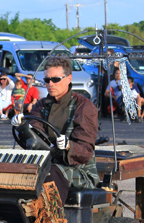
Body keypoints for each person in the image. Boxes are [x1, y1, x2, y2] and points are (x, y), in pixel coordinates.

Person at [12, 56, 99, 204]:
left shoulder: (84, 107)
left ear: (69, 78)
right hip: (48, 162)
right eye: (47, 80)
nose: (50, 84)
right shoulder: (41, 106)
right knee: (16, 171)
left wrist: (68, 145)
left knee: (50, 173)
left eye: (55, 79)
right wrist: (22, 127)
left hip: (79, 169)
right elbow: (36, 139)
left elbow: (85, 151)